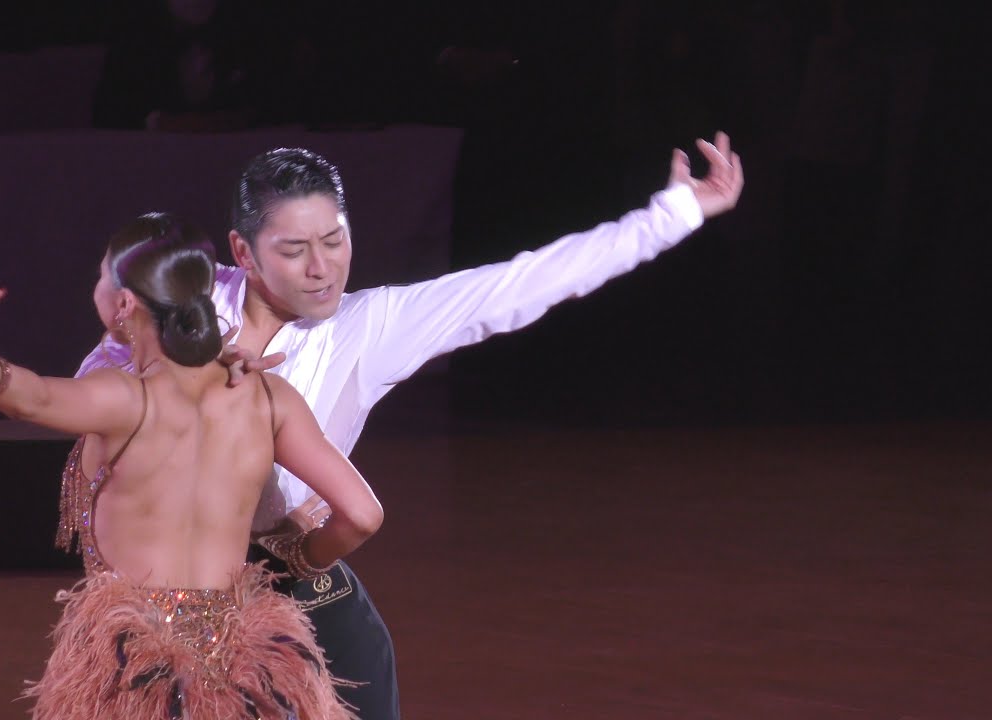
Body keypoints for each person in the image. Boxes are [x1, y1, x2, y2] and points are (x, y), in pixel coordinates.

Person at [79, 134, 745, 718]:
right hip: (177, 599)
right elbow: (94, 379)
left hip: (299, 578)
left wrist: (676, 213)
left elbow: (523, 284)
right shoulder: (188, 304)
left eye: (335, 240)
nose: (322, 267)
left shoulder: (376, 324)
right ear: (243, 253)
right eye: (294, 249)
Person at [0, 213, 381, 720]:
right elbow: (361, 514)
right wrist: (296, 558)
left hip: (139, 674)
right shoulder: (269, 397)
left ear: (124, 303)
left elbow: (29, 396)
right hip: (244, 672)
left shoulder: (125, 399)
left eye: (100, 276)